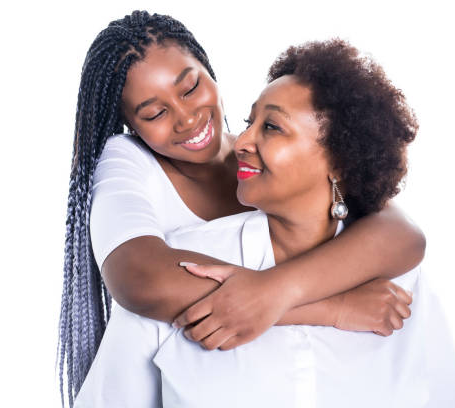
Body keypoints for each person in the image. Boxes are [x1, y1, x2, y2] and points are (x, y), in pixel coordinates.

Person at [59, 11, 426, 406]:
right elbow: (140, 278)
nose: (185, 118)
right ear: (130, 124)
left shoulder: (280, 167)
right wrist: (327, 307)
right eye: (154, 113)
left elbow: (401, 235)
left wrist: (275, 292)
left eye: (190, 87)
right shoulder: (129, 161)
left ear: (207, 67)